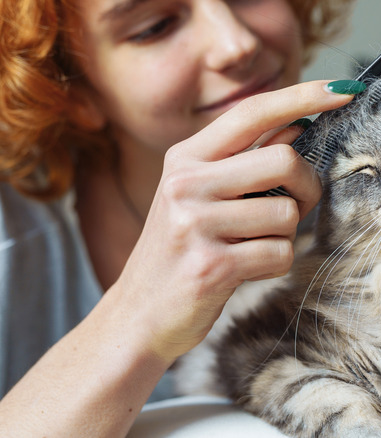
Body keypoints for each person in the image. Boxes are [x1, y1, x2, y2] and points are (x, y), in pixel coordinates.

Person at [0, 0, 361, 435]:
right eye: (156, 26)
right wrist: (137, 313)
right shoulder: (11, 242)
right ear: (73, 91)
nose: (237, 44)